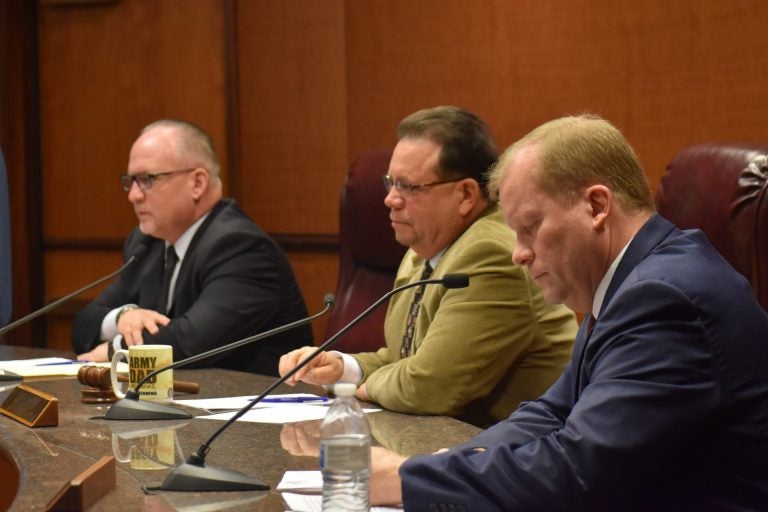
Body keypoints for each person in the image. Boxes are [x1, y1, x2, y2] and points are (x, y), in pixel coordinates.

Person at [369, 114, 768, 511]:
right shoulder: (629, 280)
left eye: (530, 226)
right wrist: (439, 467)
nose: (518, 253)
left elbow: (575, 472)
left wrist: (402, 480)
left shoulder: (662, 299)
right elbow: (552, 412)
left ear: (596, 206)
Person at [279, 106, 577, 427]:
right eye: (390, 183)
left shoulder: (490, 254)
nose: (390, 199)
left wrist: (358, 389)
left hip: (512, 455)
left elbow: (430, 387)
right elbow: (404, 359)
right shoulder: (424, 248)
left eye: (409, 187)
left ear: (465, 194)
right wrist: (340, 367)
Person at [72, 119, 312, 376]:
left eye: (148, 179)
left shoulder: (241, 248)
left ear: (197, 183)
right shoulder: (147, 244)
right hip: (181, 405)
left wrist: (114, 351)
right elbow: (83, 326)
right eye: (131, 181)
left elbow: (190, 344)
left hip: (256, 407)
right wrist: (122, 318)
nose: (134, 195)